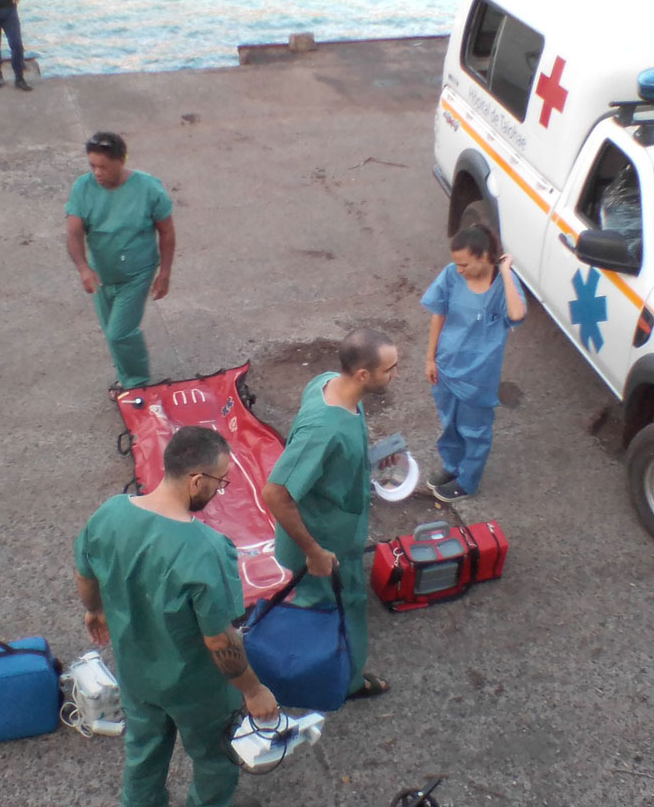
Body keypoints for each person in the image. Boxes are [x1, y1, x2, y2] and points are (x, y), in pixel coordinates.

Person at [75, 425, 278, 807]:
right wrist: (253, 690)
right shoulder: (208, 549)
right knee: (215, 759)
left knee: (143, 753)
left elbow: (85, 572)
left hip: (137, 673)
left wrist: (94, 610)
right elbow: (220, 641)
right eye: (220, 484)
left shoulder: (109, 513)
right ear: (196, 480)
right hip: (196, 688)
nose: (219, 492)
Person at [261, 328, 398, 701]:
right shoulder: (324, 430)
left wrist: (370, 460)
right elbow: (276, 493)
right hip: (325, 547)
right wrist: (314, 552)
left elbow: (334, 460)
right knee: (334, 609)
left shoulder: (328, 384)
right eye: (390, 369)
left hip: (334, 537)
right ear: (363, 375)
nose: (395, 374)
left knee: (327, 606)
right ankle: (341, 681)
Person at [422, 223, 527, 502]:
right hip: (446, 368)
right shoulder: (450, 276)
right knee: (450, 424)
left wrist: (505, 271)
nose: (459, 270)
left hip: (478, 378)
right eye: (456, 263)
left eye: (464, 264)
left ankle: (467, 481)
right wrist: (430, 358)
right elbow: (438, 316)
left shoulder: (503, 285)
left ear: (483, 257)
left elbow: (516, 315)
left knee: (475, 431)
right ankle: (452, 467)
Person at [65, 132, 175, 397]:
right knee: (111, 332)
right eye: (92, 166)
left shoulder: (149, 189)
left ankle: (137, 386)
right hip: (102, 274)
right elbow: (73, 232)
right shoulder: (83, 188)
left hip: (137, 273)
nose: (97, 173)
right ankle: (126, 378)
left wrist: (165, 274)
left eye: (103, 166)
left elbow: (167, 233)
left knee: (119, 333)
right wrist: (84, 268)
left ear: (121, 161)